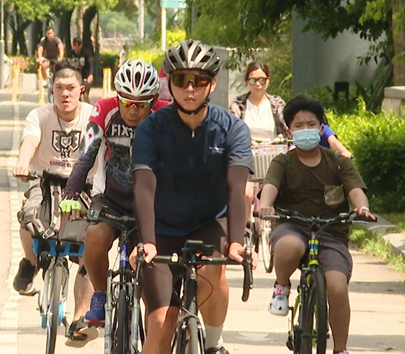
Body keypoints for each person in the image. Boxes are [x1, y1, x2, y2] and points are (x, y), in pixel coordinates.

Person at [129, 40, 254, 354]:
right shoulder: (150, 129)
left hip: (209, 223)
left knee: (214, 265)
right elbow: (143, 187)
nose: (189, 89)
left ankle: (212, 344)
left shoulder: (233, 129)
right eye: (181, 80)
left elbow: (235, 187)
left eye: (198, 81)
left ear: (211, 84)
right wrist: (146, 241)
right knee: (159, 326)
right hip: (162, 230)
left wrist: (237, 241)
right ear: (169, 83)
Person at [258, 94, 375, 354]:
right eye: (298, 125)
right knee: (288, 246)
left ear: (321, 128)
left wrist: (361, 207)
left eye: (311, 124)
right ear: (289, 130)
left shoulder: (338, 162)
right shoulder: (284, 162)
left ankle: (341, 349)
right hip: (293, 226)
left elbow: (356, 190)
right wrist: (266, 205)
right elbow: (270, 186)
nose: (305, 129)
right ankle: (281, 286)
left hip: (331, 233)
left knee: (336, 286)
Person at [59, 59, 169, 328]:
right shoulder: (104, 109)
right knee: (95, 235)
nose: (133, 111)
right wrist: (71, 193)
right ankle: (99, 294)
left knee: (147, 267)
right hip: (111, 196)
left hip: (153, 201)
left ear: (154, 100)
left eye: (141, 104)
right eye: (127, 102)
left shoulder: (167, 114)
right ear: (117, 96)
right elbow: (87, 154)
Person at [11, 59, 94, 323]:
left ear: (82, 89)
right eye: (59, 87)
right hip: (44, 181)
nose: (65, 93)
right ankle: (31, 261)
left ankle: (81, 319)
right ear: (51, 89)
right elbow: (30, 140)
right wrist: (23, 162)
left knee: (91, 242)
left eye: (71, 87)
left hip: (83, 185)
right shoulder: (40, 115)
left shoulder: (94, 116)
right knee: (27, 214)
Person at [229, 61, 288, 230]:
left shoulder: (277, 104)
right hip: (247, 157)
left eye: (262, 80)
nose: (258, 85)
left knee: (281, 192)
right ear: (247, 82)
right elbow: (232, 128)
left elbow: (288, 126)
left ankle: (279, 231)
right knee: (246, 193)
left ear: (268, 81)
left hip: (273, 157)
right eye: (253, 80)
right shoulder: (238, 104)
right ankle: (243, 231)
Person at [65, 37, 94, 103]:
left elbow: (91, 65)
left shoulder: (86, 54)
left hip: (85, 77)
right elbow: (66, 66)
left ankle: (89, 110)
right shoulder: (69, 55)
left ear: (81, 45)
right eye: (75, 45)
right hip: (75, 77)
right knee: (77, 95)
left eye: (78, 45)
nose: (77, 47)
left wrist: (91, 75)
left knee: (85, 94)